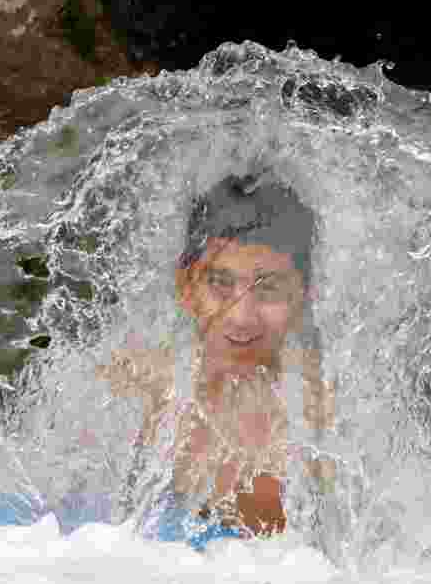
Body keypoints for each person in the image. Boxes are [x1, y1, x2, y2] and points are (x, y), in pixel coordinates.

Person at [98, 171, 335, 540]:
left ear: (301, 296)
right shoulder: (127, 392)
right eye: (220, 284)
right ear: (187, 287)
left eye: (268, 288)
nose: (240, 317)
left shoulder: (329, 421)